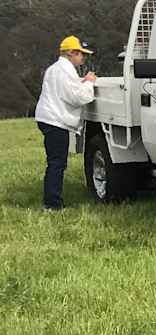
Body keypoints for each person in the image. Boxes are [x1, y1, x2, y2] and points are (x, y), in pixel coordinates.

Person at [33, 36, 97, 210]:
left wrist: (80, 82)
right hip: (55, 121)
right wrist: (89, 84)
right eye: (80, 53)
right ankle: (52, 204)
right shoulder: (65, 70)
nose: (82, 57)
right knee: (57, 163)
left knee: (55, 162)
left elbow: (67, 89)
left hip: (49, 119)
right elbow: (78, 97)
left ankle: (51, 201)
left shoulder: (56, 69)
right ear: (71, 52)